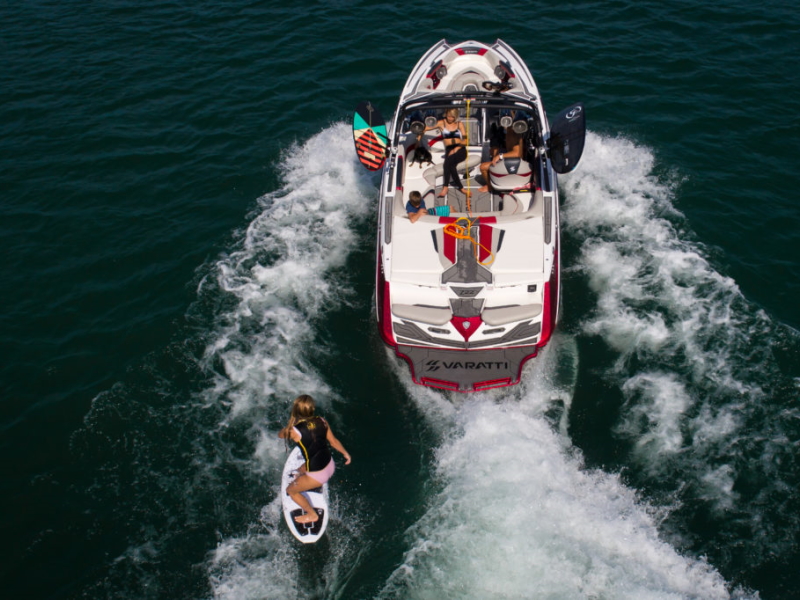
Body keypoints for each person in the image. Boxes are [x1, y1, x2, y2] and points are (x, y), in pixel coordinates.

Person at [278, 394, 351, 524]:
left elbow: (280, 435)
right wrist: (346, 454)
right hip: (330, 465)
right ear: (312, 409)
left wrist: (291, 424)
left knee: (291, 491)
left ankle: (312, 514)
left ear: (296, 410)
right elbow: (333, 442)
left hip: (317, 476)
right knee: (303, 466)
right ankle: (302, 474)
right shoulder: (322, 421)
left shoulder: (293, 431)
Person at [427, 108, 469, 198]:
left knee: (448, 164)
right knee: (449, 165)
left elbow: (465, 141)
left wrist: (457, 148)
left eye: (452, 117)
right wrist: (419, 136)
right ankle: (459, 187)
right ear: (446, 114)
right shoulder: (442, 123)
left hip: (460, 148)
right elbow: (426, 128)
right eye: (449, 116)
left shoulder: (459, 124)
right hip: (449, 149)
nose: (450, 118)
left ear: (455, 117)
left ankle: (447, 187)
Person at [478, 114, 524, 193]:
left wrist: (500, 156)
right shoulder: (510, 131)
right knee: (493, 150)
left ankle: (490, 186)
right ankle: (494, 175)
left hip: (513, 164)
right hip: (510, 158)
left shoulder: (514, 134)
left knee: (482, 167)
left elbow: (517, 154)